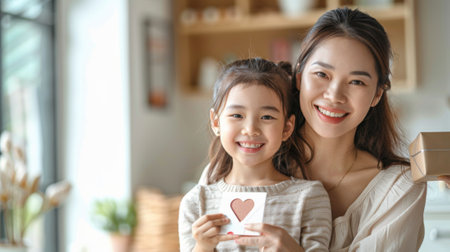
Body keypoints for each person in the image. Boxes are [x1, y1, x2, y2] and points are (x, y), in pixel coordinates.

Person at [197, 7, 429, 251]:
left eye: (357, 81)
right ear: (299, 76)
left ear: (377, 95)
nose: (334, 95)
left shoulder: (400, 188)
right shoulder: (242, 158)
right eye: (321, 74)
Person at [178, 58, 332, 252]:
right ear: (216, 123)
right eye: (237, 116)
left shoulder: (309, 198)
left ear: (286, 128)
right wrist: (203, 247)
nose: (250, 130)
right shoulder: (196, 202)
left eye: (267, 117)